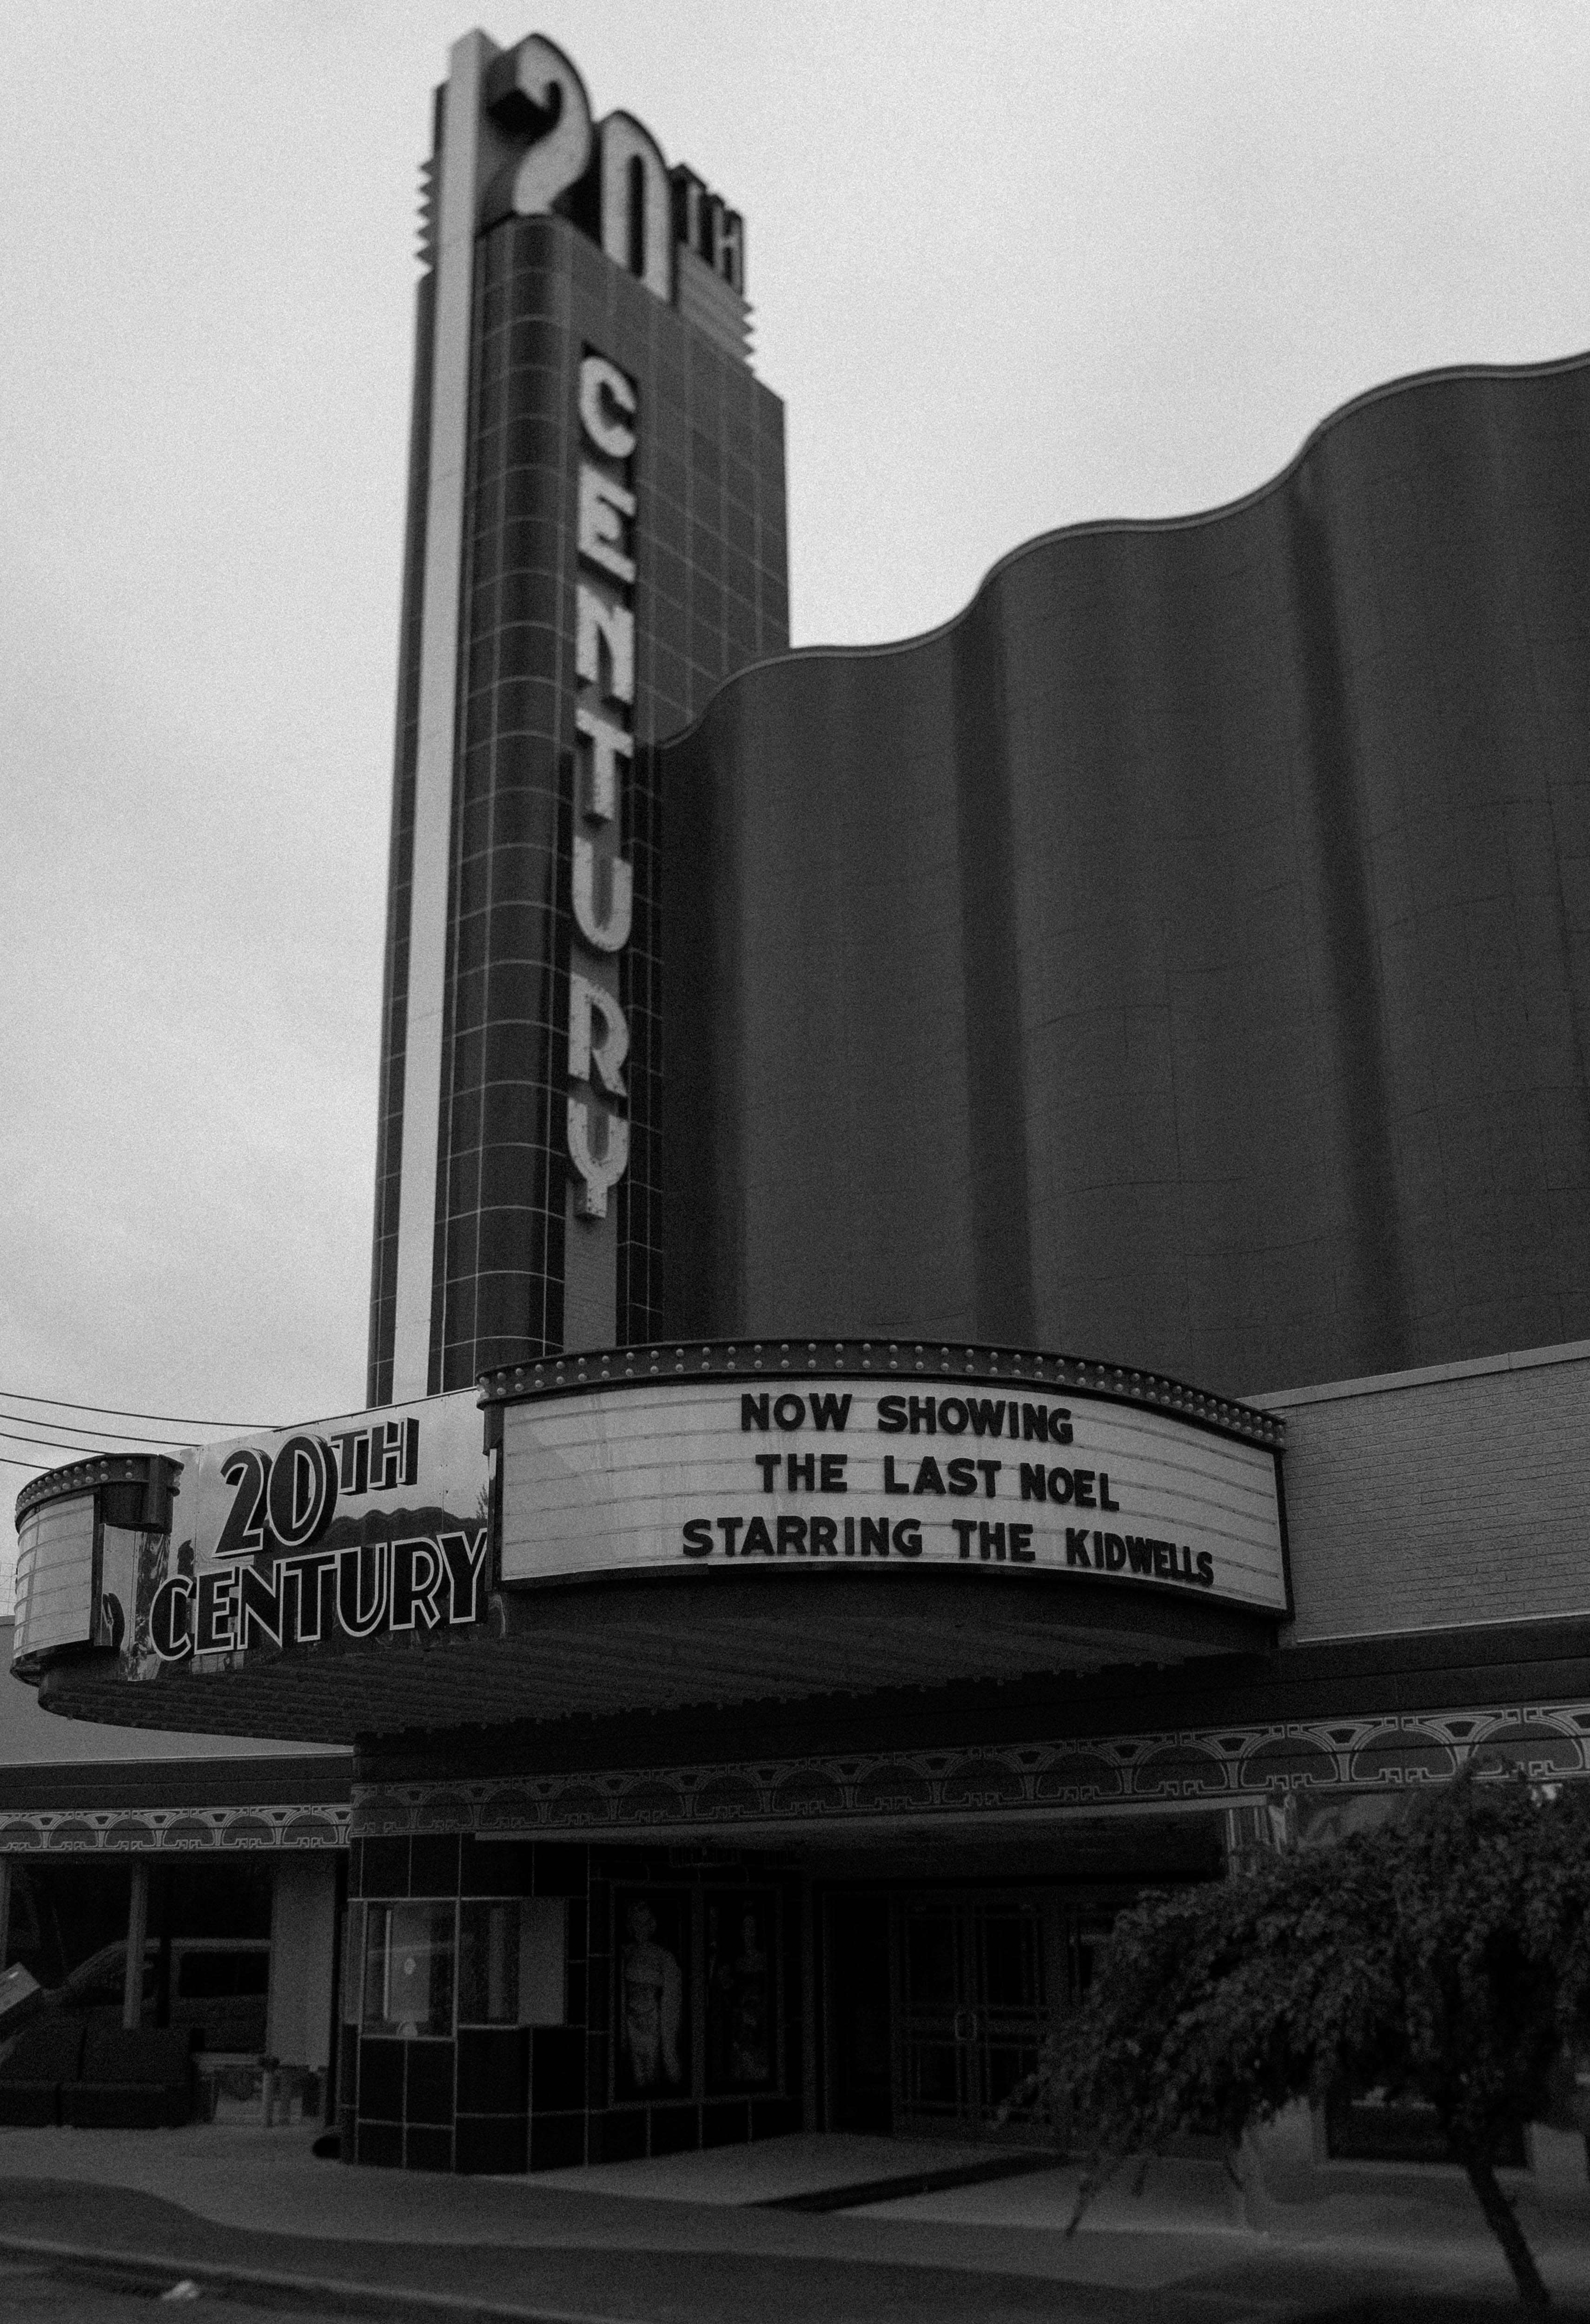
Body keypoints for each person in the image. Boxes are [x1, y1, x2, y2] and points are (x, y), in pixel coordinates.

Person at [621, 1900, 682, 2089]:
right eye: (636, 1922)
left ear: (651, 1925)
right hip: (632, 2020)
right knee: (637, 2072)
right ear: (631, 1925)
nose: (640, 1928)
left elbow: (672, 1990)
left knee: (651, 2071)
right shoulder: (626, 1953)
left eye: (644, 1922)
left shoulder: (661, 1956)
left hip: (651, 2020)